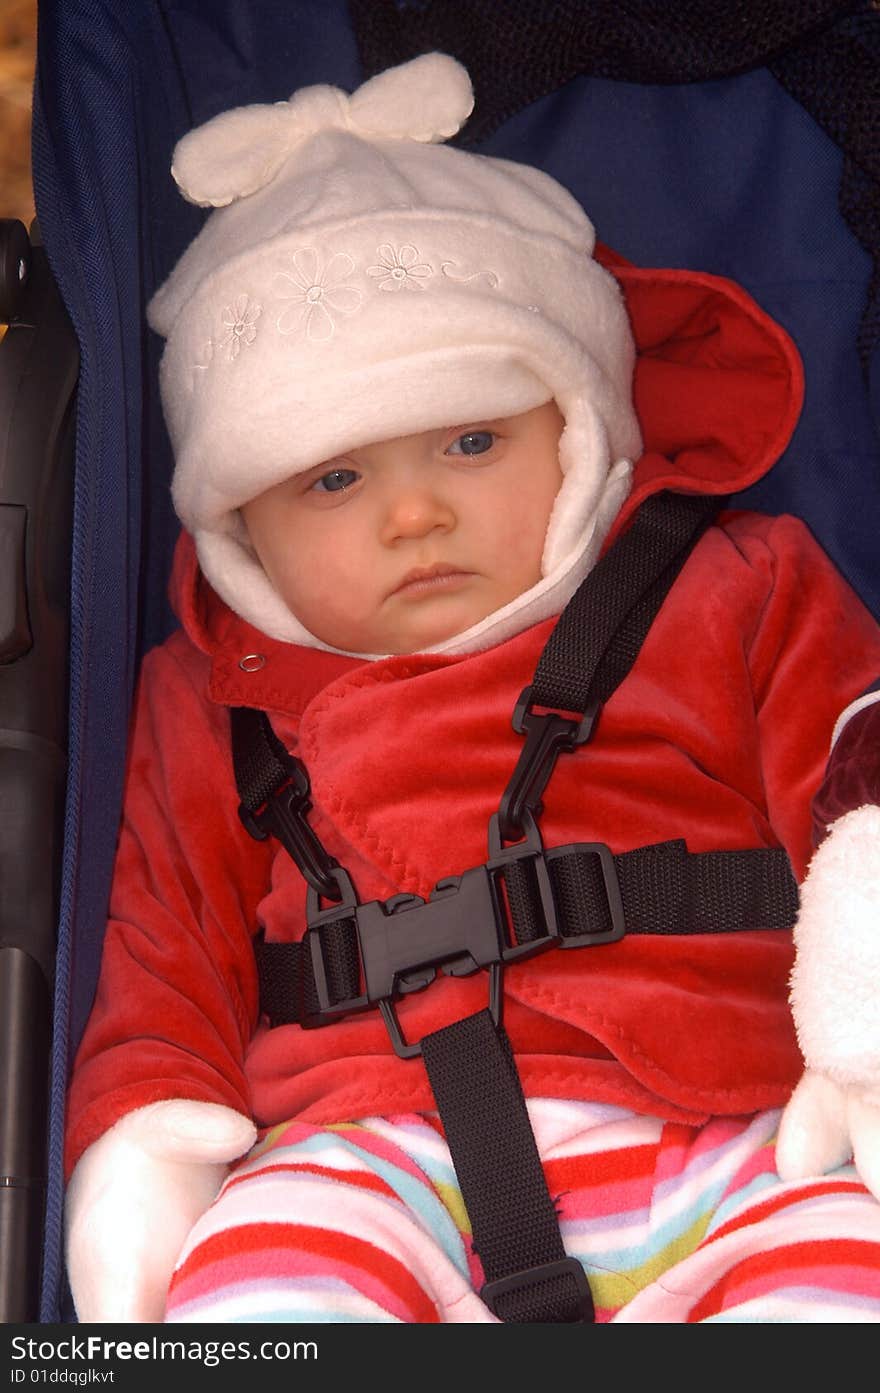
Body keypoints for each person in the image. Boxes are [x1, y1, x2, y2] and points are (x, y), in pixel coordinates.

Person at [64, 54, 880, 1324]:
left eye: (471, 439)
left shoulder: (736, 584)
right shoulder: (215, 690)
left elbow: (855, 781)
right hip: (363, 1156)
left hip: (746, 1132)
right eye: (331, 480)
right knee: (259, 1292)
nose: (413, 511)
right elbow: (163, 936)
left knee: (845, 1272)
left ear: (579, 420)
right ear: (243, 524)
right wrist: (144, 1132)